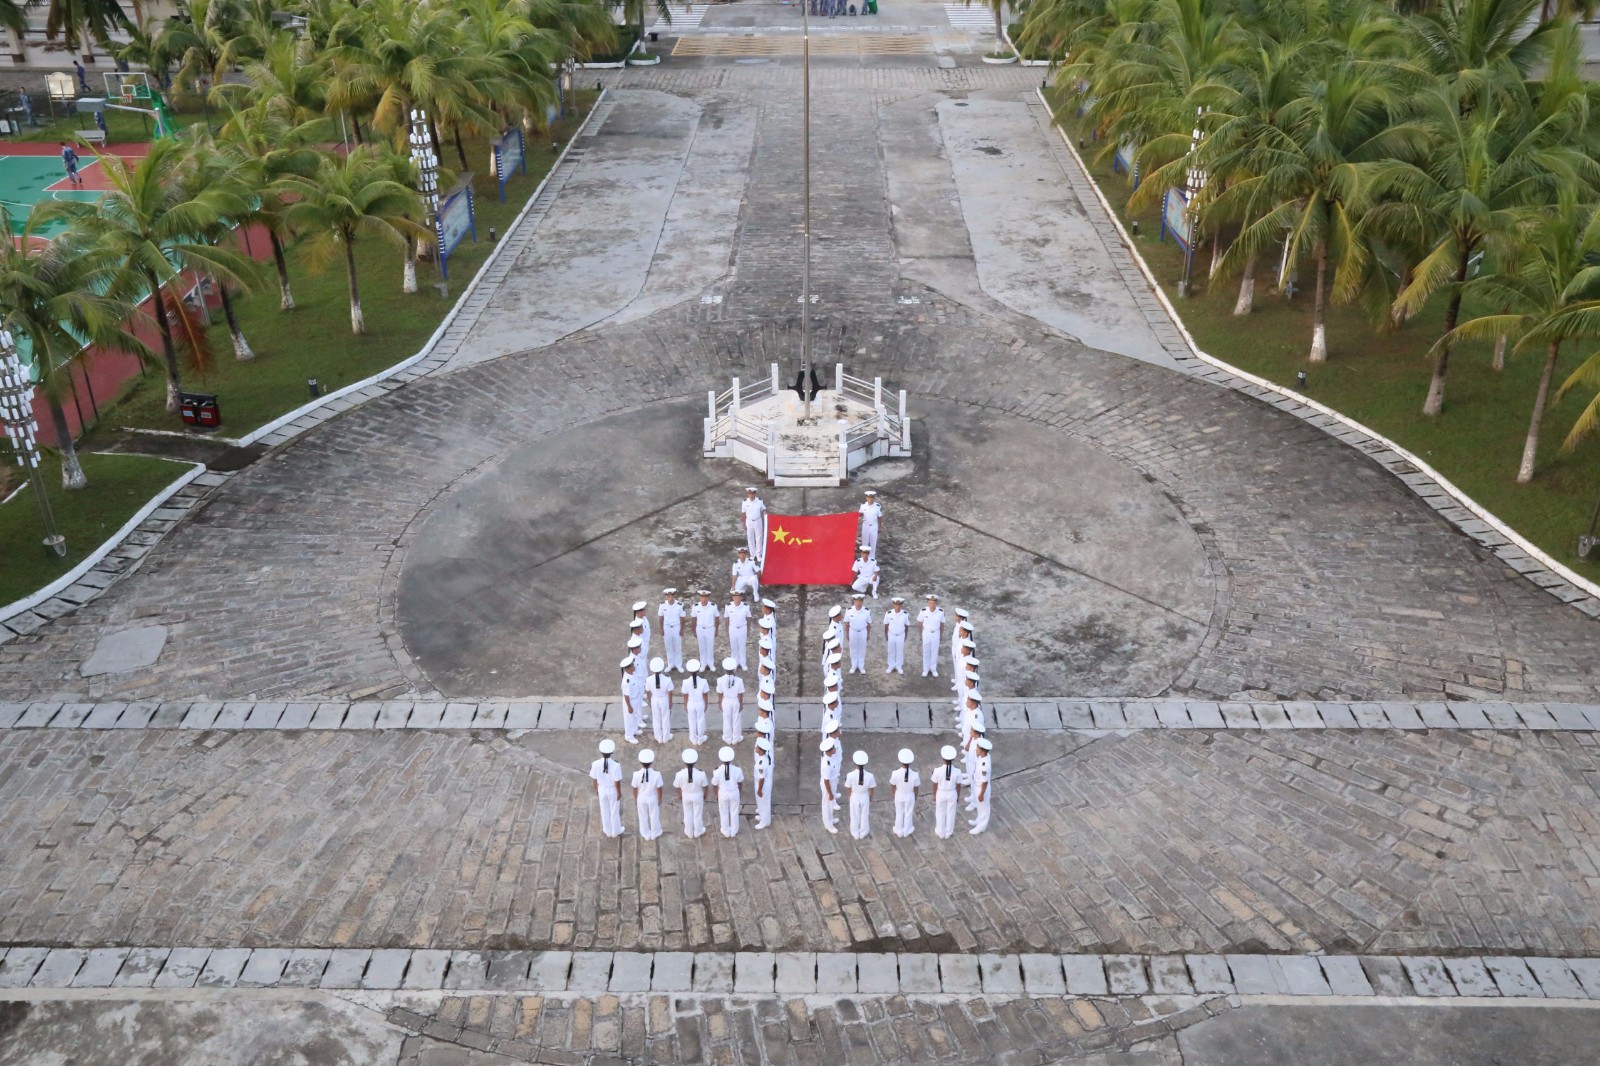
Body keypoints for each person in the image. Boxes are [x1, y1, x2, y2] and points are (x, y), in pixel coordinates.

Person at [589, 739, 624, 838]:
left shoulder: (595, 764)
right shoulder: (616, 765)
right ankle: (616, 830)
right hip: (612, 789)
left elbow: (594, 779)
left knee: (604, 810)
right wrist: (619, 792)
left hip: (602, 789)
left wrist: (596, 789)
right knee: (614, 810)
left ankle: (607, 830)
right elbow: (617, 781)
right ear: (612, 752)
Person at [932, 745, 967, 839]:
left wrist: (934, 795)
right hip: (952, 792)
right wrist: (958, 796)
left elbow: (934, 784)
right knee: (951, 813)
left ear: (942, 758)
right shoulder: (957, 771)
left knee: (940, 812)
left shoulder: (937, 771)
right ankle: (948, 832)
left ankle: (940, 832)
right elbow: (958, 785)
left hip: (941, 792)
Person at [675, 749, 708, 838]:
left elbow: (677, 786)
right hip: (697, 795)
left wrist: (679, 794)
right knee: (697, 814)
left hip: (686, 795)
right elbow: (705, 786)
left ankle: (689, 832)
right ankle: (698, 831)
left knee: (687, 813)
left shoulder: (679, 774)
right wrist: (705, 794)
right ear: (695, 762)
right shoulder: (701, 774)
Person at [713, 746, 745, 837]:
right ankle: (734, 830)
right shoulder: (737, 769)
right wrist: (740, 792)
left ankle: (725, 830)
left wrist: (716, 794)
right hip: (734, 792)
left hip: (723, 792)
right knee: (734, 811)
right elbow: (740, 782)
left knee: (723, 812)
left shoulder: (717, 771)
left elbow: (714, 784)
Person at [633, 749, 664, 841]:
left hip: (641, 797)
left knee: (642, 816)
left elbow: (634, 788)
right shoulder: (657, 774)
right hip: (652, 797)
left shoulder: (636, 774)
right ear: (651, 762)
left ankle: (645, 833)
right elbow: (659, 788)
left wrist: (636, 798)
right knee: (654, 815)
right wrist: (659, 798)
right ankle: (655, 833)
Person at [890, 749, 920, 837]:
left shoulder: (895, 773)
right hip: (910, 794)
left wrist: (893, 793)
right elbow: (916, 787)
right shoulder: (915, 774)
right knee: (908, 812)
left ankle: (899, 830)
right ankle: (907, 830)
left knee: (899, 812)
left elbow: (893, 785)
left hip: (899, 794)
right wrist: (916, 795)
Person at [845, 751, 876, 839]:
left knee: (854, 815)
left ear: (855, 763)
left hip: (854, 795)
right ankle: (863, 832)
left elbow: (848, 787)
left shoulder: (850, 775)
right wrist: (870, 797)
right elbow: (871, 789)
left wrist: (849, 796)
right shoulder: (870, 775)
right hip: (865, 796)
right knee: (864, 815)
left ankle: (855, 833)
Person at [681, 658, 710, 745]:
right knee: (701, 720)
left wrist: (685, 705)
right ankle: (700, 738)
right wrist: (706, 705)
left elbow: (685, 695)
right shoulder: (703, 681)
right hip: (700, 702)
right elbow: (705, 695)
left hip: (691, 703)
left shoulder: (685, 682)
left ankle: (693, 738)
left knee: (692, 721)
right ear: (698, 670)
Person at [645, 657, 674, 743]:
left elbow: (648, 692)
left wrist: (650, 701)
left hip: (654, 699)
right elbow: (670, 692)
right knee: (665, 718)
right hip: (664, 699)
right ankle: (666, 737)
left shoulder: (648, 679)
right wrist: (670, 701)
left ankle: (658, 737)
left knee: (656, 718)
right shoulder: (667, 679)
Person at [716, 657, 745, 744]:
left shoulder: (720, 680)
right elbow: (740, 694)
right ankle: (736, 738)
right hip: (735, 700)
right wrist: (741, 704)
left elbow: (720, 693)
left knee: (726, 719)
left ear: (724, 669)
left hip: (726, 700)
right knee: (736, 719)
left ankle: (728, 738)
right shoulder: (739, 680)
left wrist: (720, 702)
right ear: (734, 669)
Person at [917, 594, 945, 677]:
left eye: (933, 603)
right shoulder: (923, 611)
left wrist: (940, 635)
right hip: (926, 632)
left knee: (934, 651)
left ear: (936, 603)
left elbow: (942, 624)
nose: (932, 605)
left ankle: (933, 669)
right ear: (928, 603)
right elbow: (920, 623)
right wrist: (921, 634)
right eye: (930, 603)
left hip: (936, 633)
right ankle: (925, 669)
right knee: (926, 651)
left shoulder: (941, 612)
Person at [690, 591, 720, 670]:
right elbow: (693, 619)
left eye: (705, 597)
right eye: (702, 597)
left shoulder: (713, 606)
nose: (703, 599)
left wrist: (716, 630)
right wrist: (694, 631)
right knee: (702, 647)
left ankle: (710, 663)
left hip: (710, 629)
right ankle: (703, 663)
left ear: (708, 597)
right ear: (700, 597)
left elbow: (717, 618)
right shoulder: (695, 606)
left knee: (710, 646)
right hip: (700, 629)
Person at [619, 654, 645, 744]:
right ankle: (629, 736)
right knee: (629, 719)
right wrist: (629, 706)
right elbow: (626, 695)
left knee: (634, 717)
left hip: (635, 699)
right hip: (630, 701)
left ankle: (634, 730)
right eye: (632, 666)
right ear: (627, 668)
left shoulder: (632, 675)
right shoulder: (626, 681)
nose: (634, 667)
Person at [969, 737, 993, 834]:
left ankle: (981, 827)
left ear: (982, 750)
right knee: (980, 807)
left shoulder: (985, 765)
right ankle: (978, 821)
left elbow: (985, 781)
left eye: (978, 748)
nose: (976, 749)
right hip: (977, 785)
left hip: (982, 788)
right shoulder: (983, 757)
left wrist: (981, 794)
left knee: (984, 808)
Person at [658, 588, 686, 670]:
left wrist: (682, 629)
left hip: (676, 627)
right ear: (666, 597)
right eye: (668, 596)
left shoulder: (680, 605)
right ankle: (670, 664)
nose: (670, 598)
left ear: (674, 596)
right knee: (668, 647)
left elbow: (682, 618)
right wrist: (661, 629)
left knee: (677, 647)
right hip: (666, 628)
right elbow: (660, 618)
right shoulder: (662, 605)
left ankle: (678, 664)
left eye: (672, 596)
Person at [725, 590, 752, 671]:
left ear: (741, 598)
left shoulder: (746, 606)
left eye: (738, 597)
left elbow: (749, 617)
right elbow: (726, 618)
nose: (737, 599)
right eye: (735, 597)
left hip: (742, 628)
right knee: (734, 647)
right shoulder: (728, 606)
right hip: (732, 628)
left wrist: (748, 629)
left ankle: (743, 663)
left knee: (742, 646)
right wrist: (727, 630)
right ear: (733, 598)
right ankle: (734, 663)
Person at [844, 593, 871, 674]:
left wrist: (868, 634)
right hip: (853, 631)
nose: (858, 603)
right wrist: (847, 634)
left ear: (862, 602)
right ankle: (854, 665)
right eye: (857, 601)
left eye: (860, 601)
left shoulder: (866, 611)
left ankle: (861, 666)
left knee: (862, 649)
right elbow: (846, 623)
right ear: (854, 601)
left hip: (863, 631)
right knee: (853, 649)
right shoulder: (849, 611)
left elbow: (869, 624)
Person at [819, 737, 841, 834]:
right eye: (833, 748)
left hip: (833, 782)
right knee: (827, 805)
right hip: (829, 785)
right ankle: (828, 825)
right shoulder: (826, 765)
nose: (835, 749)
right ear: (829, 750)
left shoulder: (830, 758)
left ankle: (830, 819)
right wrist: (830, 794)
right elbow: (826, 781)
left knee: (830, 804)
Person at [883, 597, 910, 674]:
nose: (898, 607)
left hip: (901, 634)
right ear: (893, 605)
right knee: (891, 650)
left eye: (899, 605)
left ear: (901, 605)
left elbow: (907, 626)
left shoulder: (905, 614)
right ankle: (891, 665)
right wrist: (886, 635)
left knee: (899, 651)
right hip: (891, 634)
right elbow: (886, 625)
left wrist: (905, 636)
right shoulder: (888, 613)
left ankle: (899, 666)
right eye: (896, 605)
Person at [752, 736, 774, 829]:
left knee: (763, 801)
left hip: (762, 784)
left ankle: (765, 821)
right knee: (760, 802)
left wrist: (759, 789)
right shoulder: (764, 757)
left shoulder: (761, 763)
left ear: (761, 750)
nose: (755, 748)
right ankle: (762, 816)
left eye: (757, 747)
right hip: (761, 781)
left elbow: (762, 778)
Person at [740, 487, 767, 562]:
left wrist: (764, 512)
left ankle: (758, 554)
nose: (751, 495)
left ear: (755, 493)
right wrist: (744, 523)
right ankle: (752, 554)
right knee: (750, 538)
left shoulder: (759, 501)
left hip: (758, 521)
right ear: (747, 494)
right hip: (749, 521)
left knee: (759, 538)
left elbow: (764, 508)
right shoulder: (745, 502)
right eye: (749, 494)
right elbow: (743, 513)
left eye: (752, 493)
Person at [858, 490, 882, 557]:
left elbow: (880, 517)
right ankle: (864, 558)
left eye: (872, 497)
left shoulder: (877, 506)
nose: (871, 499)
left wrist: (880, 527)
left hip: (874, 526)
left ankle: (872, 558)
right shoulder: (863, 506)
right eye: (869, 497)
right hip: (865, 525)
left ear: (874, 498)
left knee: (873, 542)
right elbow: (860, 514)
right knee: (864, 542)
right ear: (866, 497)